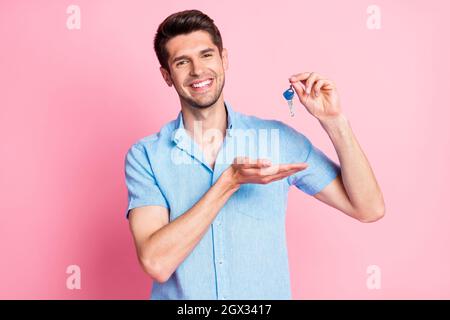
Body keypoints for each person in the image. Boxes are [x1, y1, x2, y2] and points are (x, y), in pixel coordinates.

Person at [124, 9, 385, 300]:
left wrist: (334, 121)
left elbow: (369, 208)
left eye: (207, 55)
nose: (198, 70)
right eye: (182, 62)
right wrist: (228, 182)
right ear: (167, 76)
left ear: (224, 59)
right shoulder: (146, 156)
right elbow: (156, 263)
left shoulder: (278, 140)